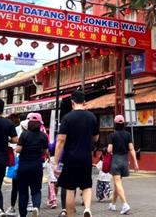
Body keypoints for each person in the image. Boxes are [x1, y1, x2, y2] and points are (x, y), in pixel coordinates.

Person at [53, 89, 99, 217]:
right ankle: (87, 209)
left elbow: (61, 140)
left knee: (70, 189)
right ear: (84, 102)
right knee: (86, 185)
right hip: (86, 157)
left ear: (72, 102)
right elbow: (96, 138)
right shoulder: (92, 117)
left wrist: (55, 162)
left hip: (70, 158)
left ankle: (70, 215)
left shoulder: (67, 118)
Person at [16, 113, 48, 217]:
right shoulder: (43, 136)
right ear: (40, 123)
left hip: (24, 166)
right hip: (37, 166)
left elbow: (18, 150)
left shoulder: (24, 134)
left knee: (23, 192)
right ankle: (36, 207)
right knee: (36, 190)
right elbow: (45, 151)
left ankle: (23, 215)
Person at [107, 115, 139, 215]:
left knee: (118, 184)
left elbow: (109, 150)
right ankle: (112, 204)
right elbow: (132, 149)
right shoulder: (128, 135)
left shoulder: (112, 135)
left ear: (115, 124)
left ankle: (125, 204)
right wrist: (135, 162)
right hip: (125, 161)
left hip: (116, 160)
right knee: (117, 184)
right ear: (123, 123)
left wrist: (108, 148)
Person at [6, 113, 23, 216]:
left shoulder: (15, 129)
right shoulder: (35, 131)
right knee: (24, 186)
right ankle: (27, 206)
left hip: (16, 159)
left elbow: (12, 143)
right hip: (28, 161)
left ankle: (12, 207)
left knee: (15, 186)